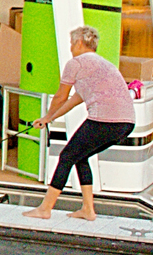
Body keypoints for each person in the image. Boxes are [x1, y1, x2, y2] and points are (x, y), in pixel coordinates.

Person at [25, 25, 137, 222]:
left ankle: (45, 209)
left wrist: (46, 116)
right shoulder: (103, 65)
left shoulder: (76, 63)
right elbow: (74, 100)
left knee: (67, 156)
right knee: (80, 156)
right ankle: (88, 210)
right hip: (126, 123)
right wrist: (48, 119)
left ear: (78, 42)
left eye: (71, 43)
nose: (70, 47)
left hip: (105, 120)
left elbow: (60, 96)